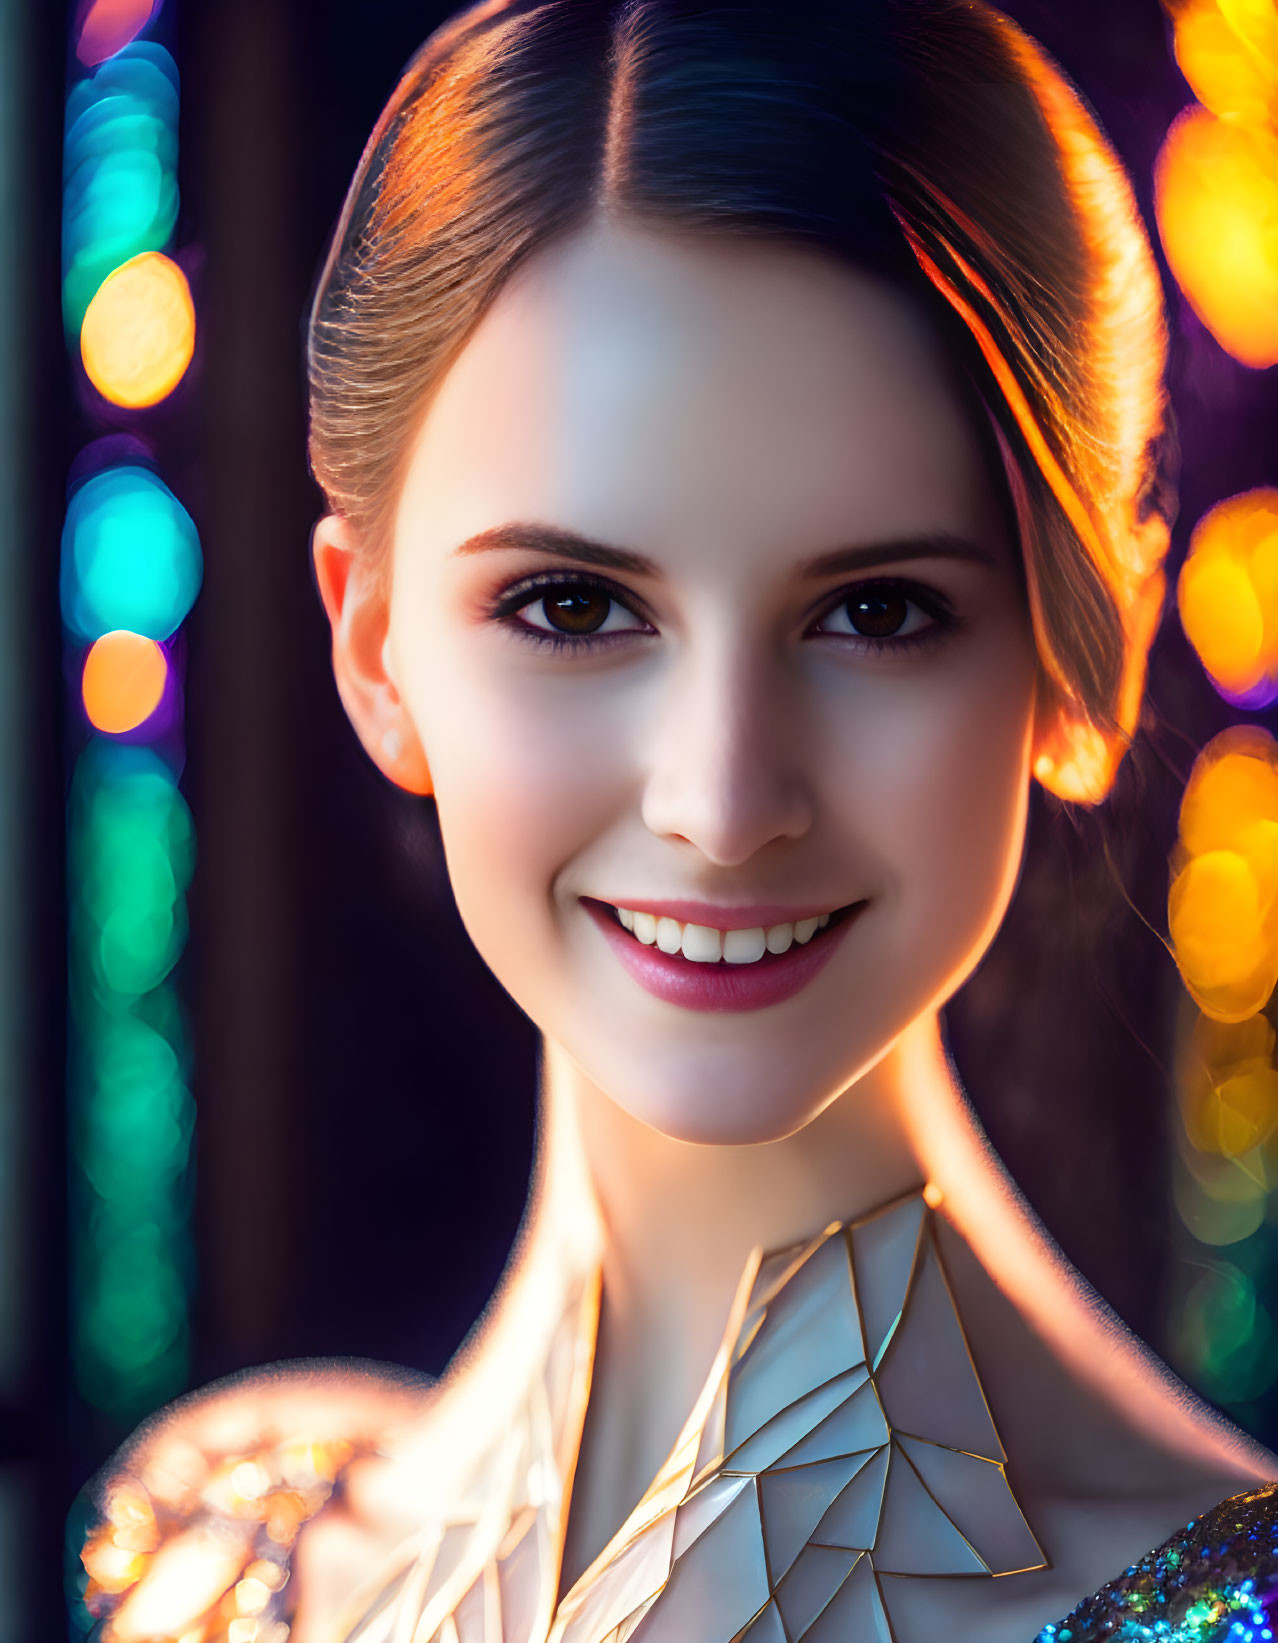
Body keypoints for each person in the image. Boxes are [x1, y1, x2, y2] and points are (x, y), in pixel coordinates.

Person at [76, 2, 1278, 1641]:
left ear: (1092, 657)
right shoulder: (218, 1554)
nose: (719, 804)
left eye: (875, 613)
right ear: (373, 649)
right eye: (573, 607)